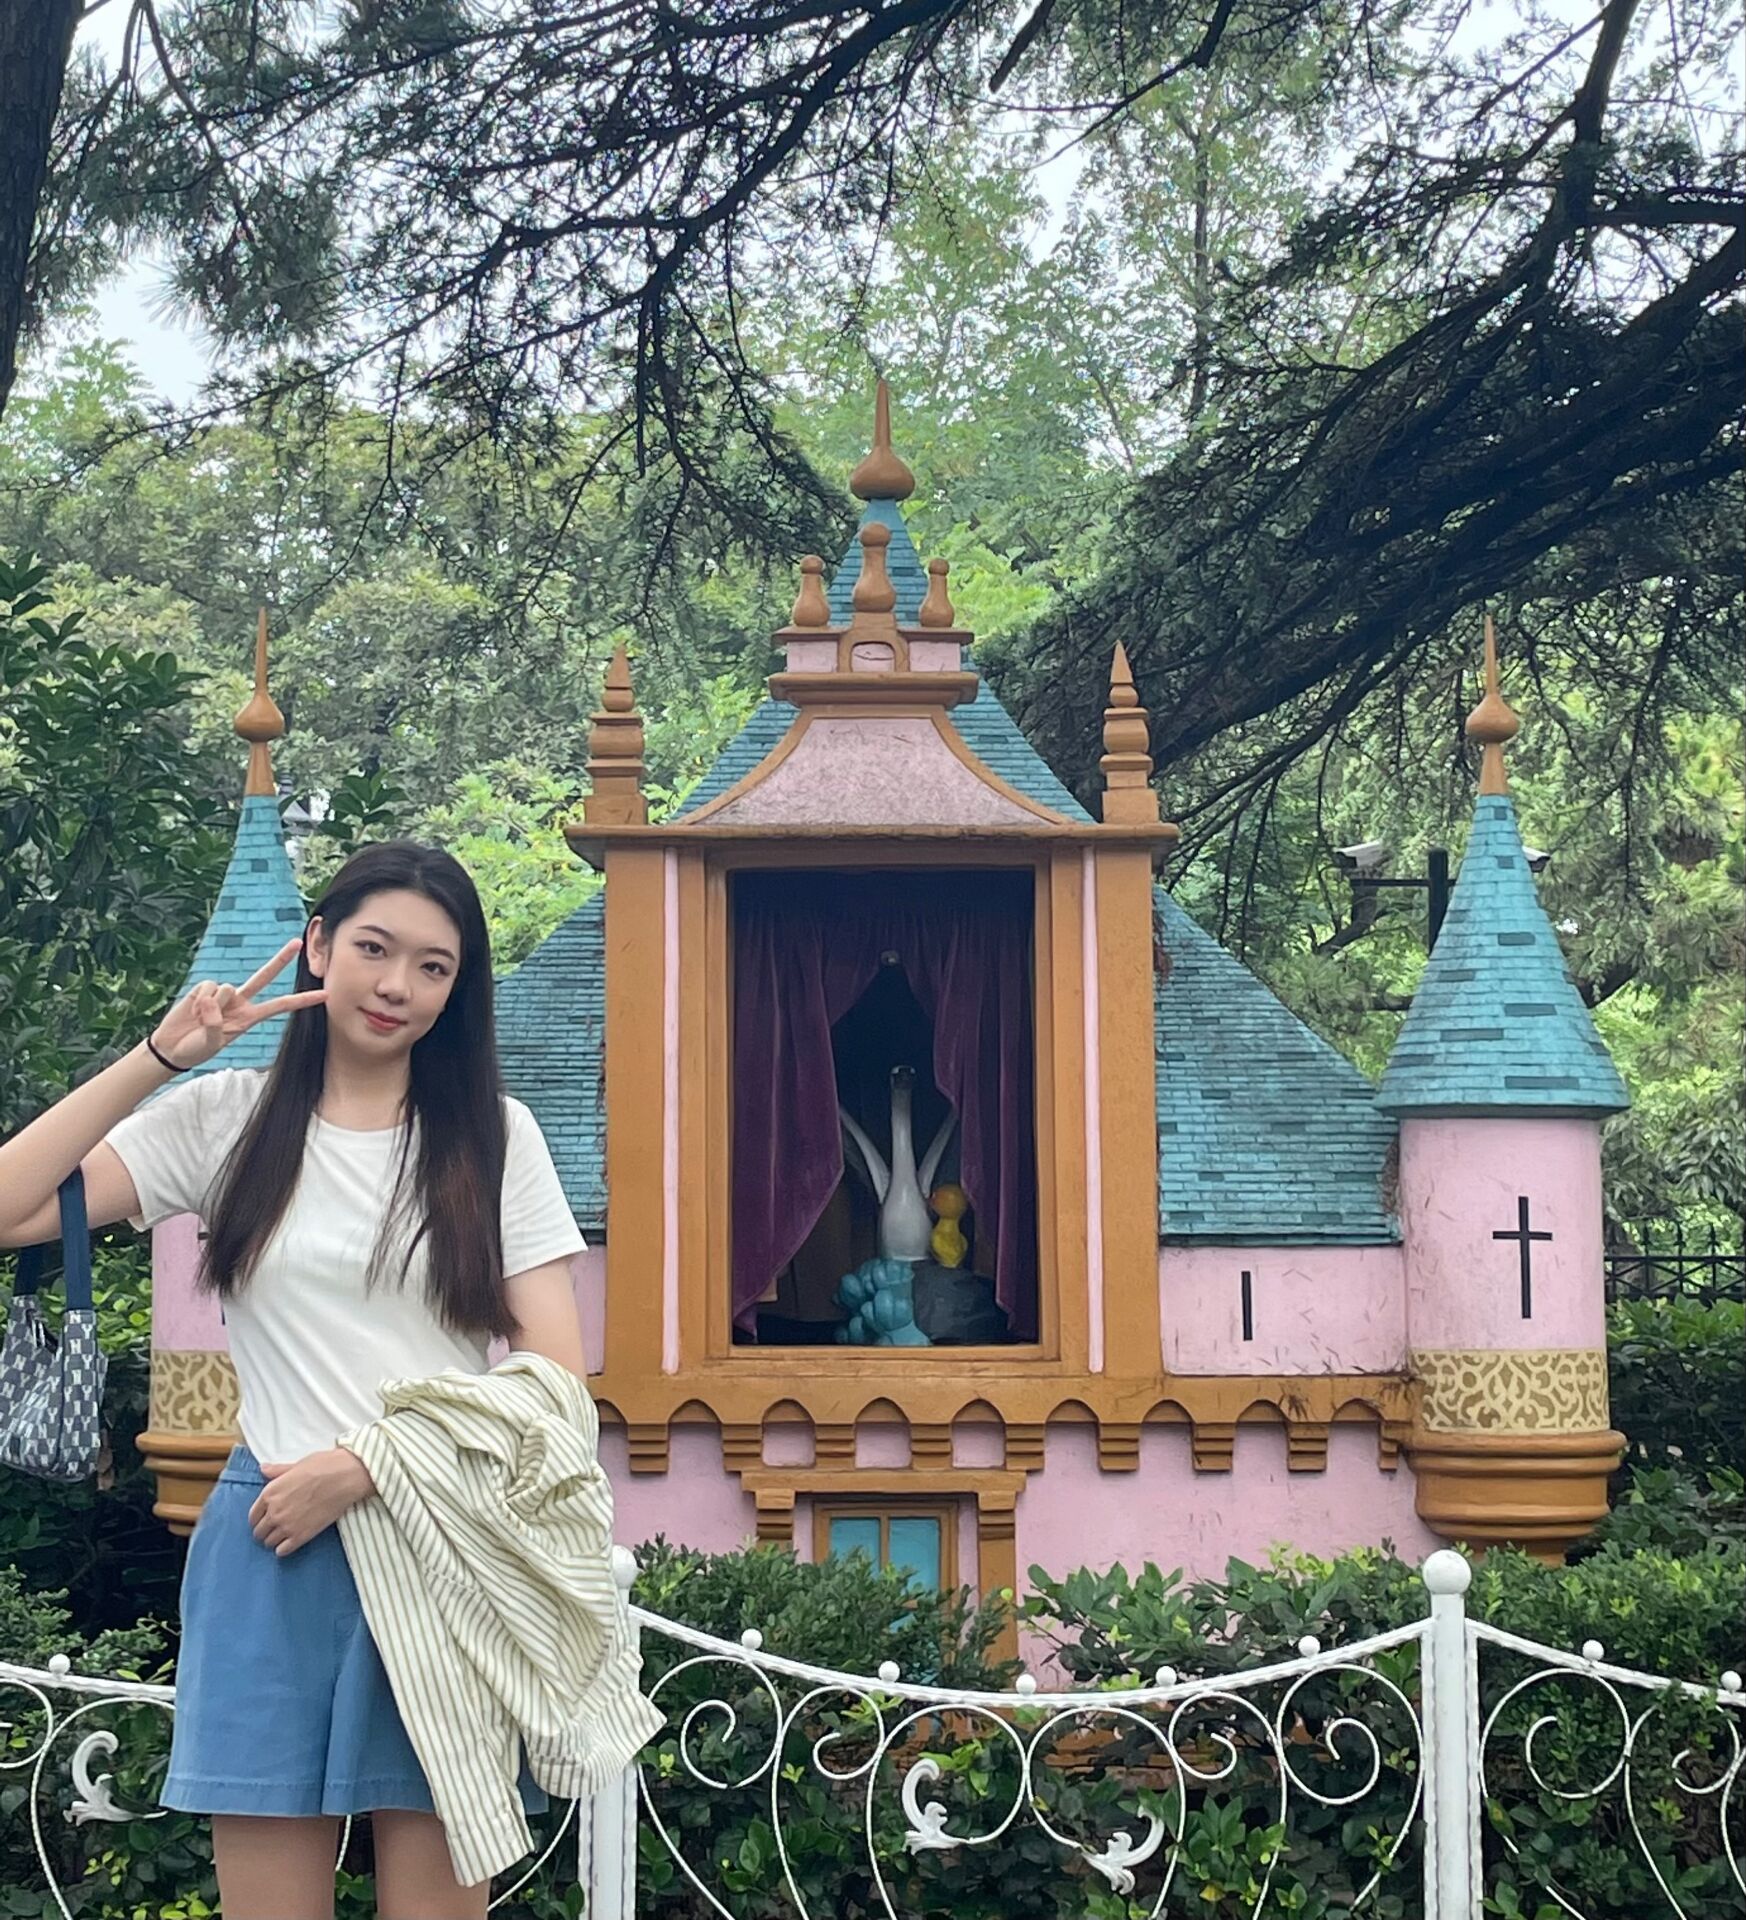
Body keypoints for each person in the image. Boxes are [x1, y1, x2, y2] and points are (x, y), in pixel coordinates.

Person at [0, 841, 593, 1920]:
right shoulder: (224, 1119)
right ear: (319, 945)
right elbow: (9, 1210)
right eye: (374, 948)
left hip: (440, 1543)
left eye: (433, 967)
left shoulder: (492, 1139)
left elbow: (559, 1385)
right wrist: (161, 1055)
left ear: (456, 990)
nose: (396, 985)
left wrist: (368, 1463)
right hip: (270, 1543)